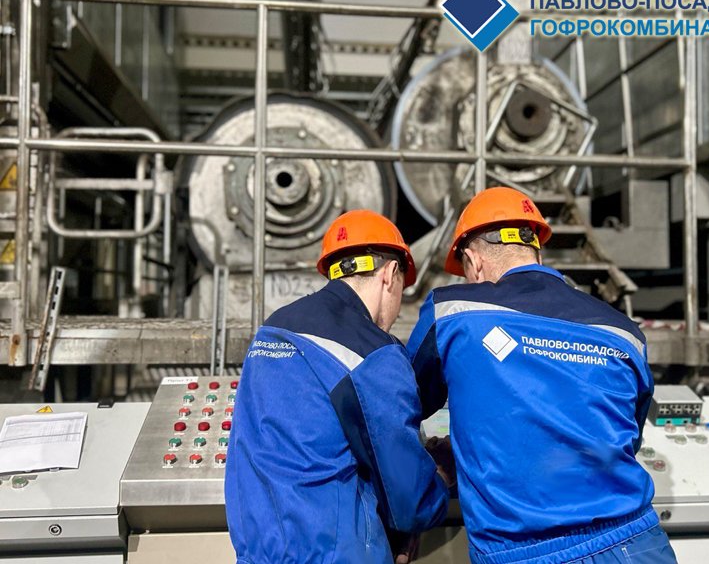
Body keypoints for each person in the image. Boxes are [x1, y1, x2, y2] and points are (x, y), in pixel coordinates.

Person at [408, 187, 677, 564]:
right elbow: (626, 433)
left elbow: (405, 405)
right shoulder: (623, 331)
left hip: (526, 550)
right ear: (536, 251)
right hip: (636, 542)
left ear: (473, 260)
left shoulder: (452, 312)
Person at [225, 210, 450, 564]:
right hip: (333, 553)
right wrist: (441, 476)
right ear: (390, 274)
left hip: (258, 551)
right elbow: (409, 500)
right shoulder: (372, 352)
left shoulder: (274, 328)